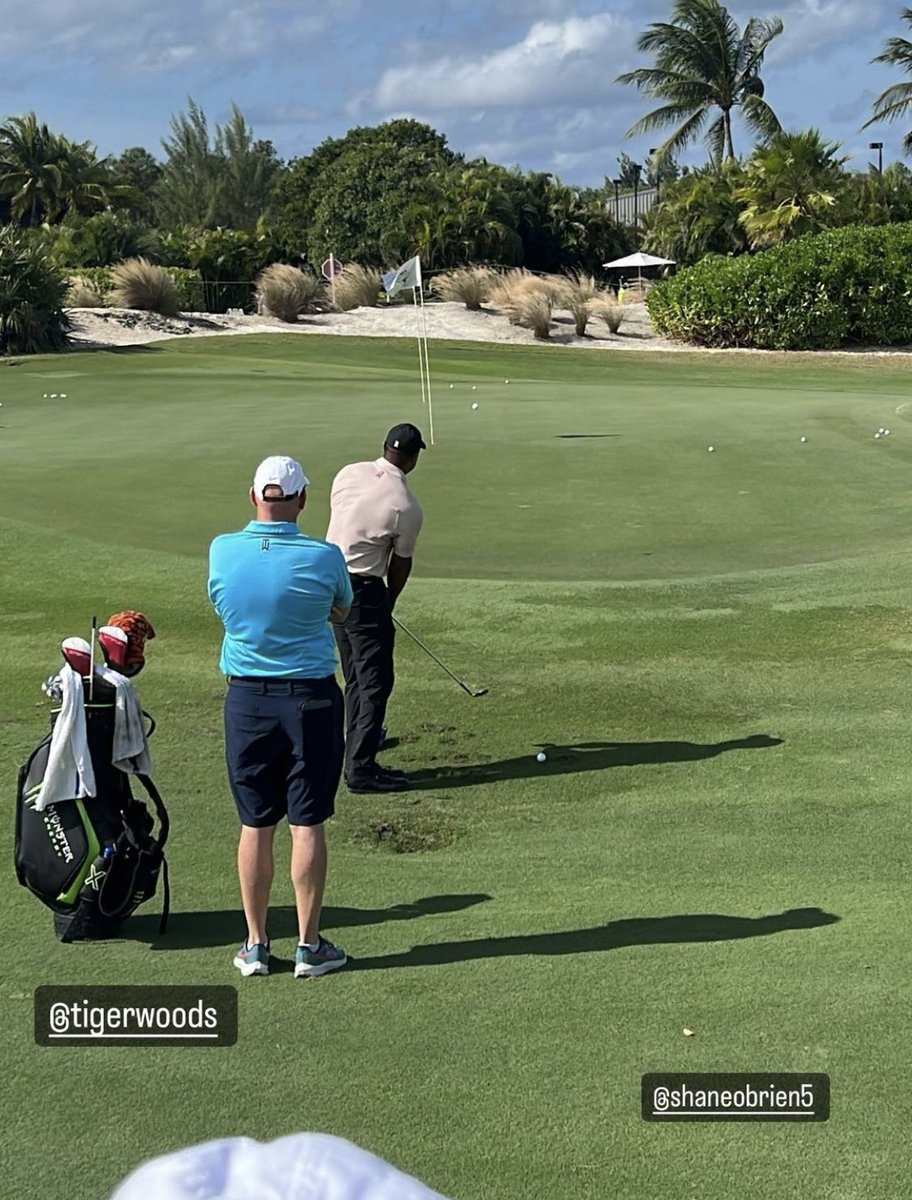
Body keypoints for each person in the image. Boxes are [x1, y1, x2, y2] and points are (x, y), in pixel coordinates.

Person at [208, 455, 353, 979]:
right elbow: (342, 609)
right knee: (307, 823)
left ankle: (255, 945)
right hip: (310, 701)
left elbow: (225, 608)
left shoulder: (222, 550)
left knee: (256, 822)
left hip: (246, 702)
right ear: (302, 501)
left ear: (253, 497)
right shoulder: (324, 555)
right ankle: (309, 947)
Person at [326, 423, 425, 793]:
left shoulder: (348, 473)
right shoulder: (406, 505)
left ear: (384, 447)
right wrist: (388, 602)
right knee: (375, 683)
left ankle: (358, 745)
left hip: (332, 583)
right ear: (413, 458)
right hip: (365, 590)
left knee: (355, 675)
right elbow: (400, 563)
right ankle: (361, 769)